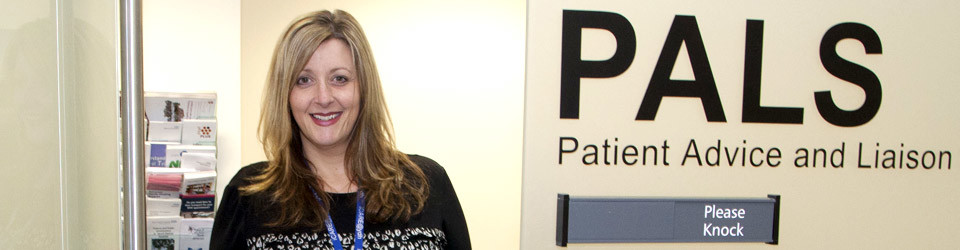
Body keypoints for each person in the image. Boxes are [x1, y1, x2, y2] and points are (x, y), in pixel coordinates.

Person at [211, 10, 471, 249]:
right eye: (304, 80)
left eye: (340, 79)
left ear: (363, 88)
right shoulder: (249, 195)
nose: (323, 97)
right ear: (285, 95)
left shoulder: (424, 185)